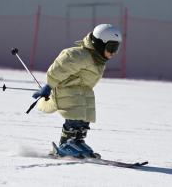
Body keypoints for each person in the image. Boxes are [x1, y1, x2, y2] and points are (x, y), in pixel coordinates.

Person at [32, 24, 122, 158]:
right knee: (75, 111)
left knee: (86, 112)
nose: (113, 52)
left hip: (81, 90)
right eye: (111, 48)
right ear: (99, 43)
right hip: (67, 90)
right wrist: (49, 85)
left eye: (116, 48)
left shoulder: (98, 60)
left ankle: (78, 140)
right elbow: (58, 69)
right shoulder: (79, 55)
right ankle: (65, 144)